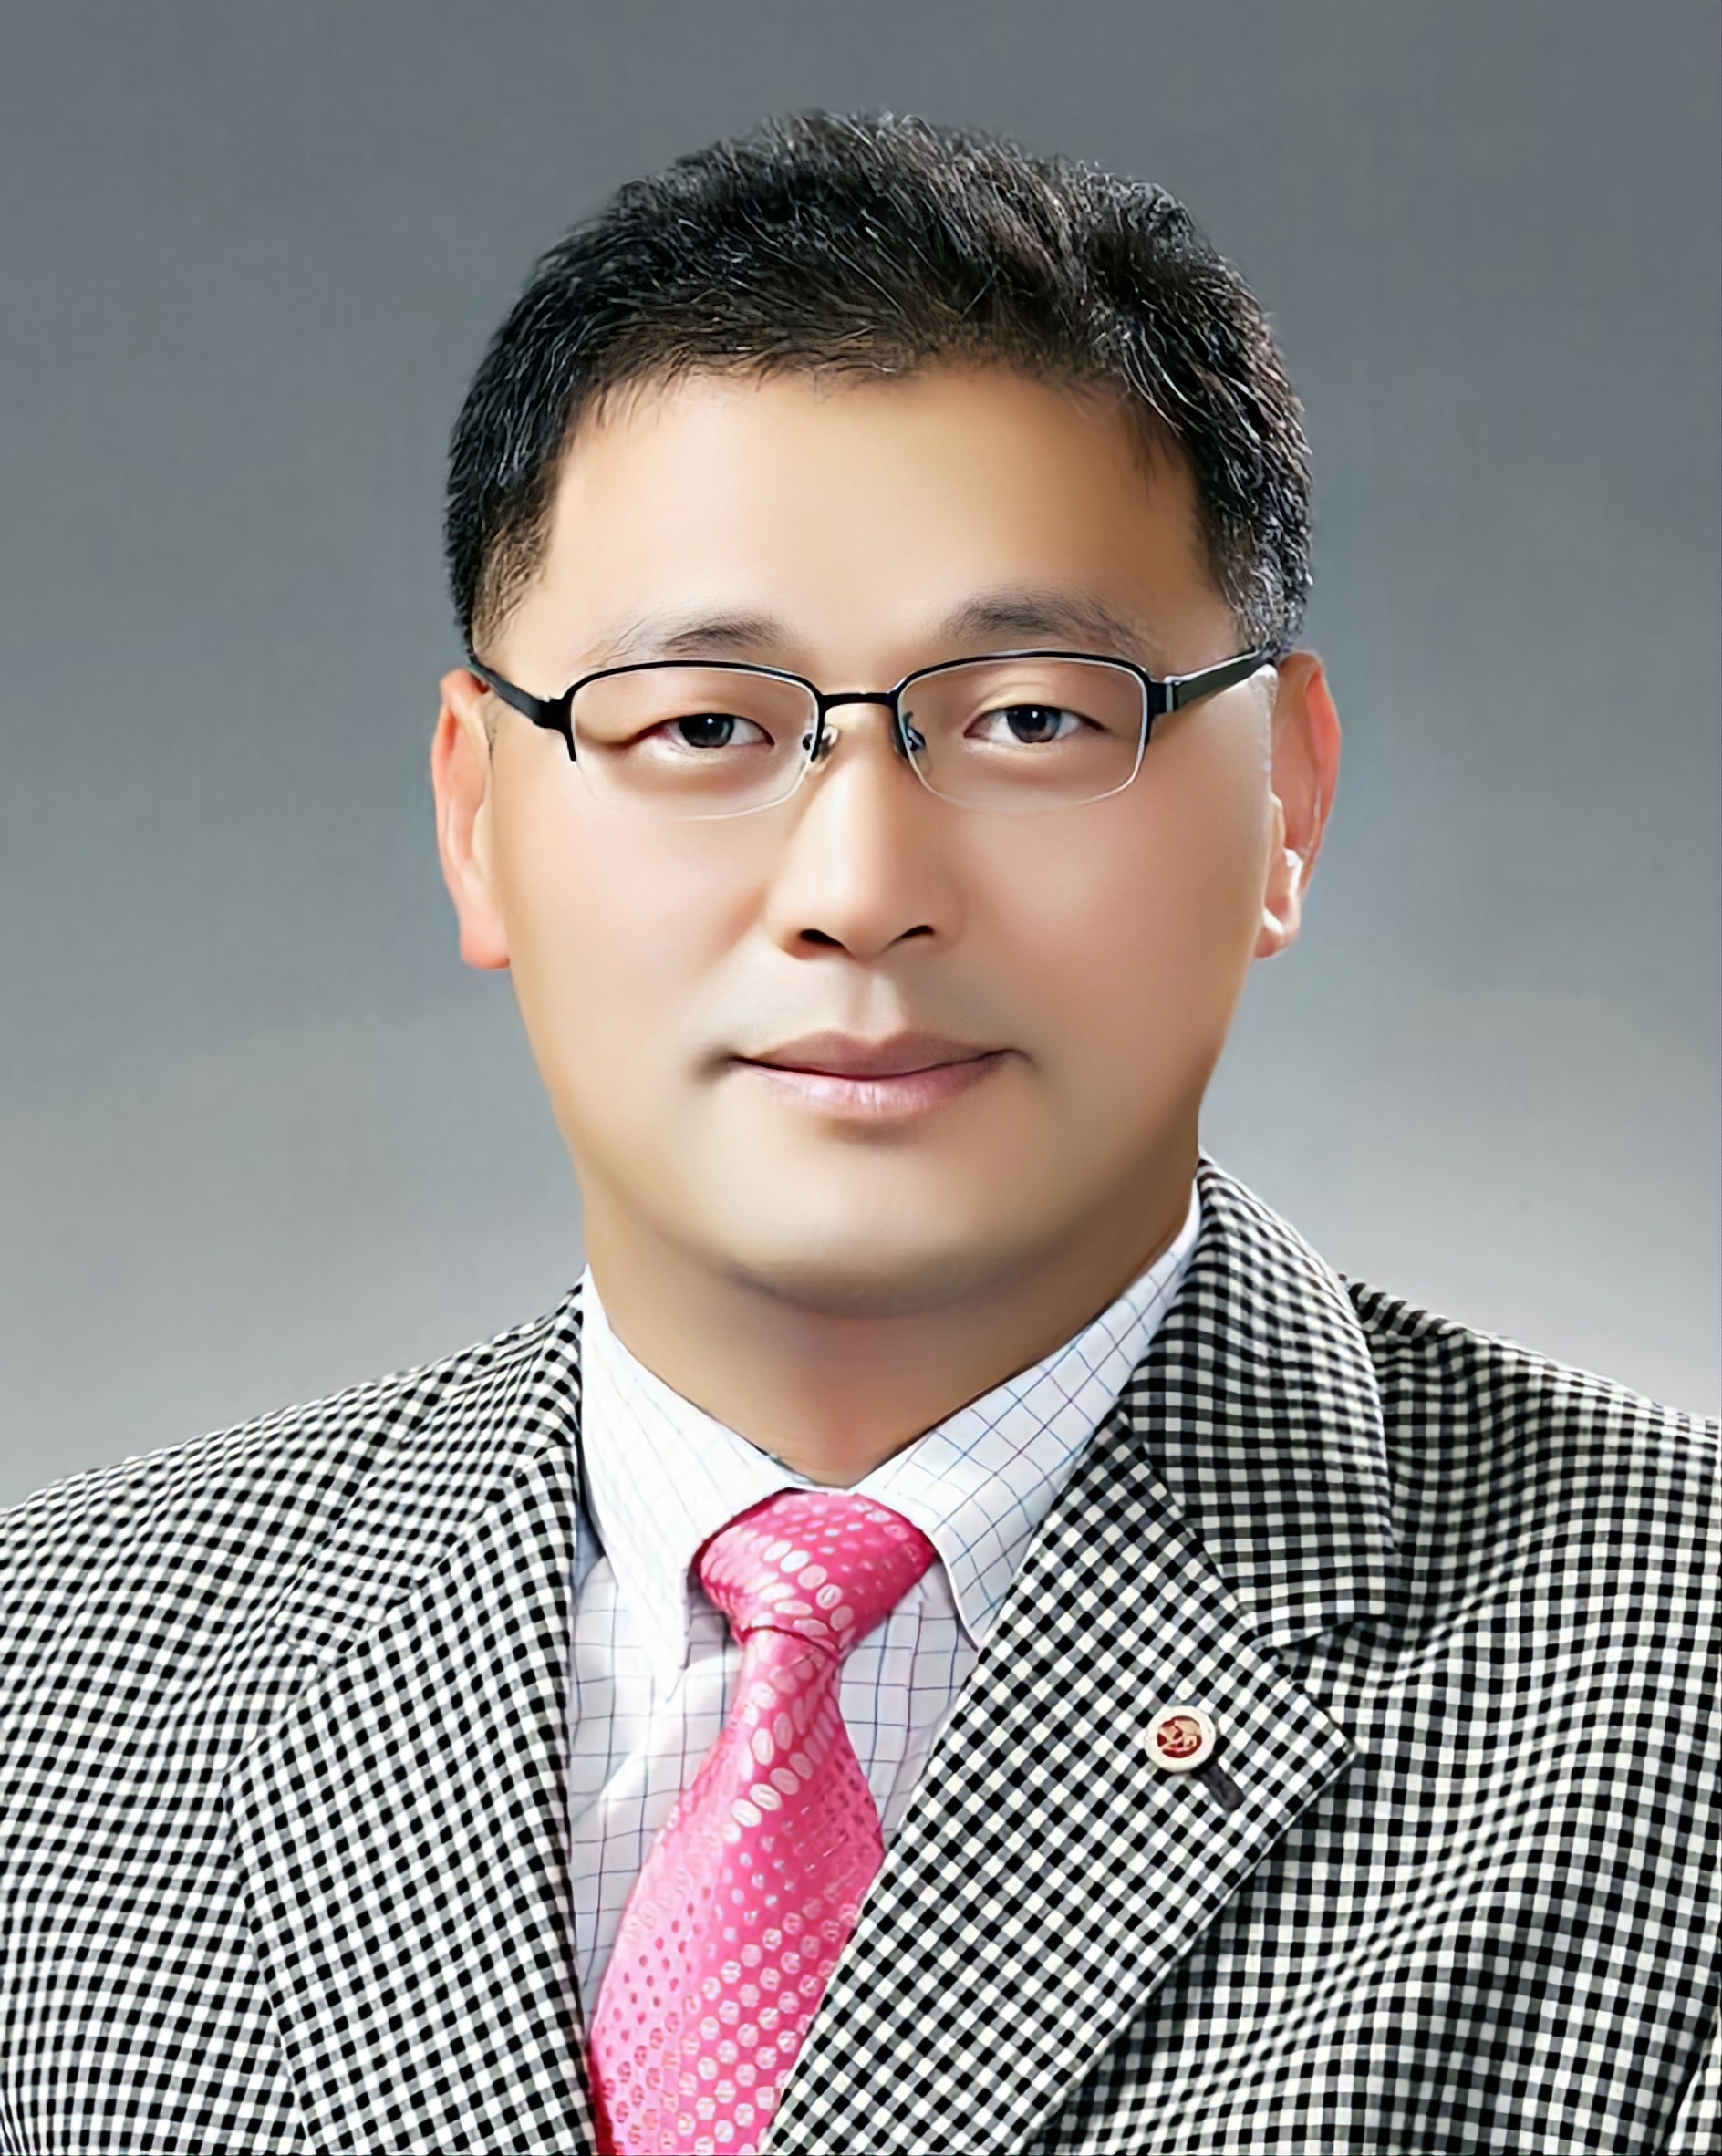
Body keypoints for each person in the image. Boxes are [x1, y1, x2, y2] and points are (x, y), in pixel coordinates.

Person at [0, 111, 1714, 2156]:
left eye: (1031, 719)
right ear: (476, 816)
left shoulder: (1670, 1689)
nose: (859, 890)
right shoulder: (53, 1690)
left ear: (1287, 800)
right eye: (701, 726)